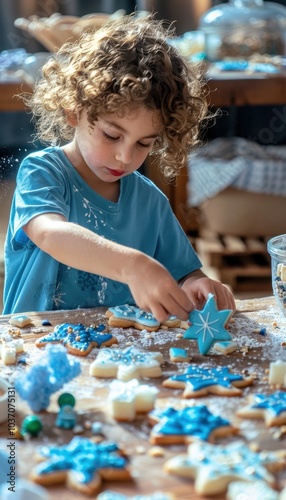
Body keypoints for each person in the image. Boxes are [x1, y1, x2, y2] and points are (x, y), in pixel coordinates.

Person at [3, 14, 235, 320]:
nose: (125, 157)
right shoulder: (43, 172)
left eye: (143, 144)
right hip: (34, 347)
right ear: (74, 111)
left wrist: (198, 284)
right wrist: (133, 265)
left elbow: (184, 274)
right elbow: (50, 234)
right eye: (112, 135)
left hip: (119, 358)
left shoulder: (149, 201)